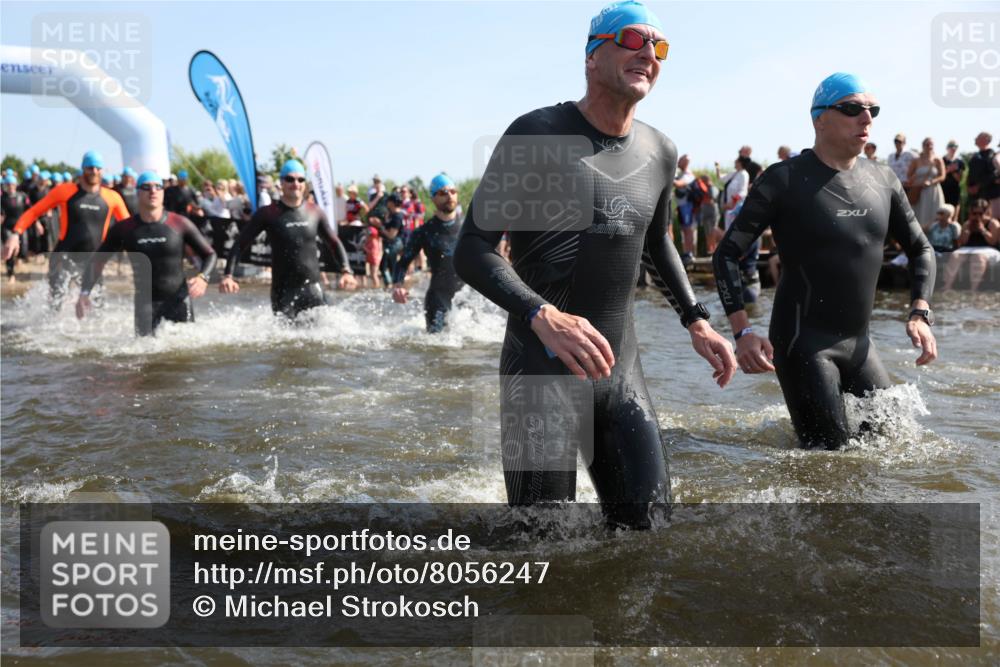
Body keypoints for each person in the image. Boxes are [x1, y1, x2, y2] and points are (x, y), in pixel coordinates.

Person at [453, 1, 736, 529]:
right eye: (633, 40)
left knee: (651, 537)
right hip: (539, 371)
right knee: (542, 550)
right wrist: (542, 313)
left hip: (621, 375)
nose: (649, 54)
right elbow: (472, 247)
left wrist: (697, 320)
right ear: (591, 56)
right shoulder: (535, 134)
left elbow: (659, 242)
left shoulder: (660, 149)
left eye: (659, 46)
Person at [712, 72, 937, 450]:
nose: (866, 118)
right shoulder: (783, 179)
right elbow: (726, 255)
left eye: (872, 110)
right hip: (804, 344)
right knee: (829, 460)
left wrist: (920, 312)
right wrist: (743, 332)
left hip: (861, 345)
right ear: (819, 118)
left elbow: (922, 249)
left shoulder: (883, 179)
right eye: (852, 109)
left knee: (898, 446)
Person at [76, 172, 216, 336]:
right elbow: (97, 261)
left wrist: (203, 278)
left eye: (158, 187)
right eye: (146, 187)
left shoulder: (179, 223)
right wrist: (84, 293)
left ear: (163, 192)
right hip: (145, 304)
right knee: (145, 354)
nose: (153, 191)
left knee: (184, 355)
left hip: (179, 302)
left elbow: (210, 254)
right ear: (138, 192)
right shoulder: (125, 229)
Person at [219, 160, 356, 320]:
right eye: (290, 179)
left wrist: (347, 271)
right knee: (287, 342)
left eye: (300, 179)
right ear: (281, 182)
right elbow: (239, 244)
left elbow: (334, 243)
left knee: (322, 340)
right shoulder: (267, 213)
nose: (295, 183)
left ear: (305, 184)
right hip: (283, 293)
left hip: (314, 290)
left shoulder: (315, 212)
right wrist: (228, 275)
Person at [2, 150, 130, 308]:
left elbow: (129, 227)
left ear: (102, 170)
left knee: (97, 309)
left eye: (98, 168)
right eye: (90, 167)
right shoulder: (65, 191)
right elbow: (34, 211)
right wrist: (15, 234)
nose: (94, 171)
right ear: (83, 169)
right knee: (56, 305)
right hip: (64, 256)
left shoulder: (112, 197)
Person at [392, 174, 465, 333]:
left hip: (467, 299)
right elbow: (402, 263)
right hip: (437, 301)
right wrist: (398, 286)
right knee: (436, 350)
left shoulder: (470, 228)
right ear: (433, 198)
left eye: (453, 191)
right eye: (443, 192)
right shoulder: (424, 232)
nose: (449, 196)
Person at [941, 199, 1000, 291]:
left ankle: (973, 288)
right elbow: (962, 242)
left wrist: (983, 230)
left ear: (986, 212)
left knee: (978, 257)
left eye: (980, 213)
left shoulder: (993, 223)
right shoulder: (967, 223)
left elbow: (993, 241)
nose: (977, 216)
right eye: (974, 213)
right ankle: (947, 286)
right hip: (968, 248)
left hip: (987, 249)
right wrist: (967, 232)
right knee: (955, 255)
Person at [905, 137, 945, 227]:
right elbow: (908, 176)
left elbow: (942, 176)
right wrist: (916, 179)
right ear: (923, 146)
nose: (929, 146)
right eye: (927, 144)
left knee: (934, 212)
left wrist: (931, 182)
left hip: (933, 190)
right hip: (920, 190)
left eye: (931, 144)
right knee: (919, 213)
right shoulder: (916, 160)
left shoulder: (937, 160)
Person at [1, 175, 31, 283]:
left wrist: (36, 223)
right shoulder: (2, 198)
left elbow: (30, 211)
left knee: (23, 250)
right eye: (8, 185)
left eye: (12, 184)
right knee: (9, 251)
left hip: (20, 227)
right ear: (5, 186)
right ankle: (11, 274)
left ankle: (18, 261)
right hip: (7, 227)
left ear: (16, 185)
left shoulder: (22, 196)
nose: (10, 187)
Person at [967, 132, 1000, 219]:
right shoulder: (975, 156)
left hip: (990, 195)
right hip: (976, 195)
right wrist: (969, 186)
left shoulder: (992, 155)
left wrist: (979, 186)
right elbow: (971, 174)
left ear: (985, 139)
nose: (975, 139)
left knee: (989, 219)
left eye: (978, 137)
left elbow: (995, 174)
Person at [673, 154, 696, 266]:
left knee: (688, 229)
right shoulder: (680, 173)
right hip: (681, 206)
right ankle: (686, 252)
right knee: (684, 229)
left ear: (685, 162)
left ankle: (689, 253)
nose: (678, 161)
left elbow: (678, 184)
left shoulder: (688, 174)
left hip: (687, 206)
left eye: (680, 160)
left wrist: (667, 175)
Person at [942, 140, 965, 222]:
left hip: (955, 189)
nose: (953, 149)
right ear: (947, 148)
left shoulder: (960, 162)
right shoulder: (942, 160)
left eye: (955, 147)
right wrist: (949, 170)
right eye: (951, 146)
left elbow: (959, 179)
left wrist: (954, 171)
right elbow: (940, 175)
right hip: (943, 188)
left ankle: (954, 223)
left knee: (956, 207)